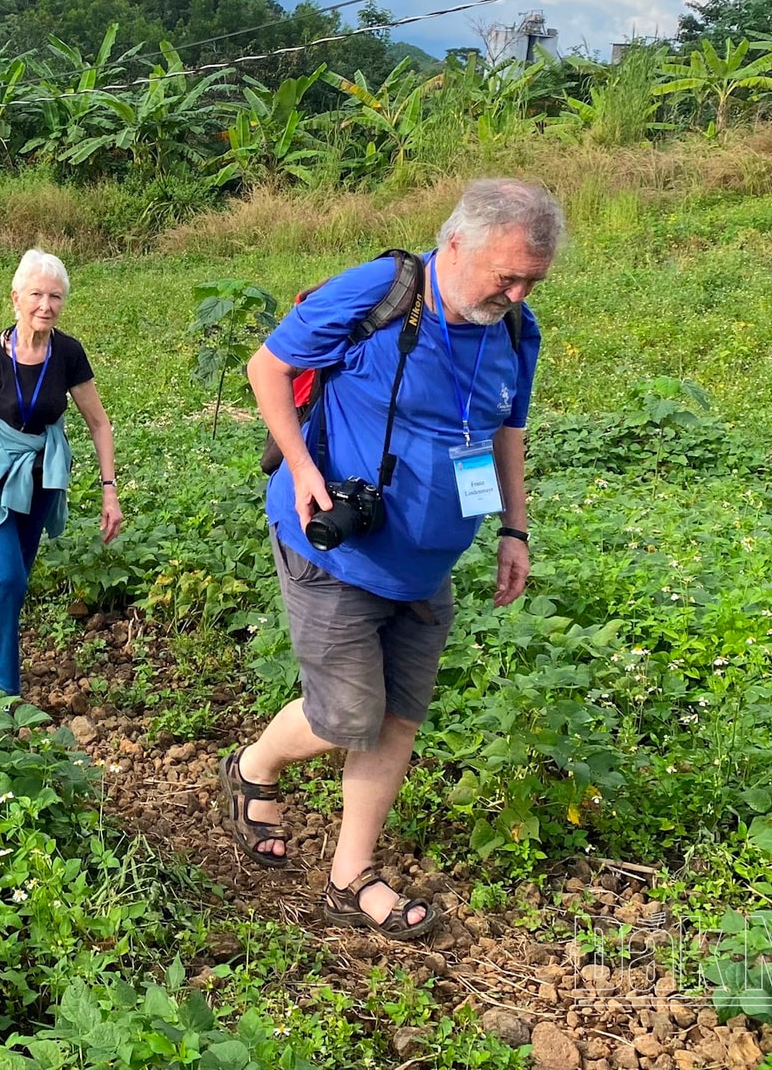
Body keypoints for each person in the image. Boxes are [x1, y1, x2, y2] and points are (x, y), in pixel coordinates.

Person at [221, 179, 560, 942]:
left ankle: (351, 876)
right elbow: (267, 367)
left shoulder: (514, 330)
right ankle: (253, 766)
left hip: (427, 564)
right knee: (347, 717)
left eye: (531, 280)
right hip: (335, 545)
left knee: (398, 718)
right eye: (505, 274)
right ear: (456, 244)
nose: (515, 292)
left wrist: (515, 529)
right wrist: (304, 472)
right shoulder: (386, 290)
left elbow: (508, 430)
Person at [0, 250, 121, 694]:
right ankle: (2, 689)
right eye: (36, 294)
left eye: (55, 296)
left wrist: (110, 492)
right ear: (16, 298)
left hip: (38, 481)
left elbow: (98, 422)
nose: (45, 305)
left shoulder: (68, 353)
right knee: (7, 576)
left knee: (15, 582)